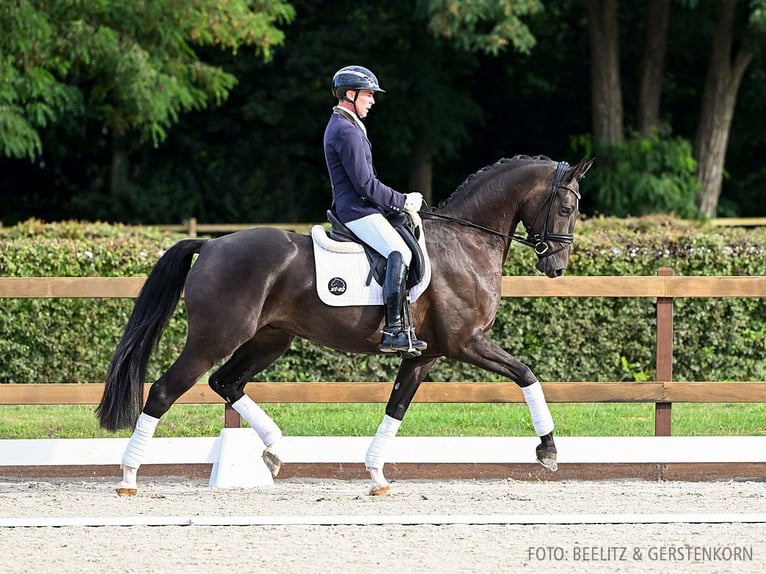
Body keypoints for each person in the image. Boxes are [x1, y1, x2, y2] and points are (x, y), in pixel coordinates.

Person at [323, 65, 427, 355]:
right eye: (368, 95)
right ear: (350, 94)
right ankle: (393, 330)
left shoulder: (349, 124)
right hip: (356, 210)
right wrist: (401, 200)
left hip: (362, 206)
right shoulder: (345, 129)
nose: (372, 100)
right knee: (400, 252)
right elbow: (366, 184)